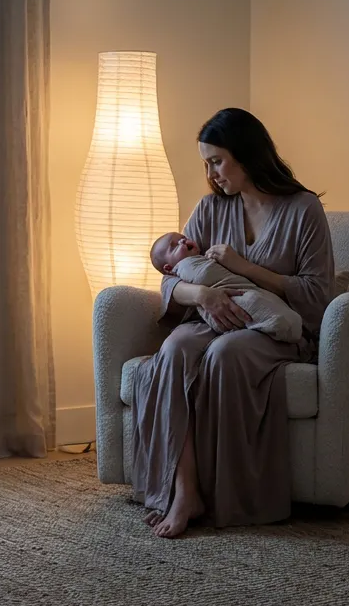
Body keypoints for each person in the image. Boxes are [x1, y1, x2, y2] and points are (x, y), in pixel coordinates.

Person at [132, 107, 336, 539]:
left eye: (217, 161)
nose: (211, 173)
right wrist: (202, 294)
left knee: (226, 354)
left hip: (276, 330)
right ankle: (184, 490)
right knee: (173, 350)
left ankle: (233, 498)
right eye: (206, 163)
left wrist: (247, 268)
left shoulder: (304, 210)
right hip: (212, 317)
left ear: (247, 155)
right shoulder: (209, 209)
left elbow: (317, 296)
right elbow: (171, 281)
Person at [148, 231, 302, 342]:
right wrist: (202, 294)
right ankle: (279, 324)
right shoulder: (184, 268)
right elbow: (169, 284)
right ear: (169, 269)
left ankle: (284, 325)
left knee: (257, 298)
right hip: (221, 309)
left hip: (248, 292)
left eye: (183, 238)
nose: (182, 241)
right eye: (174, 246)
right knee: (248, 303)